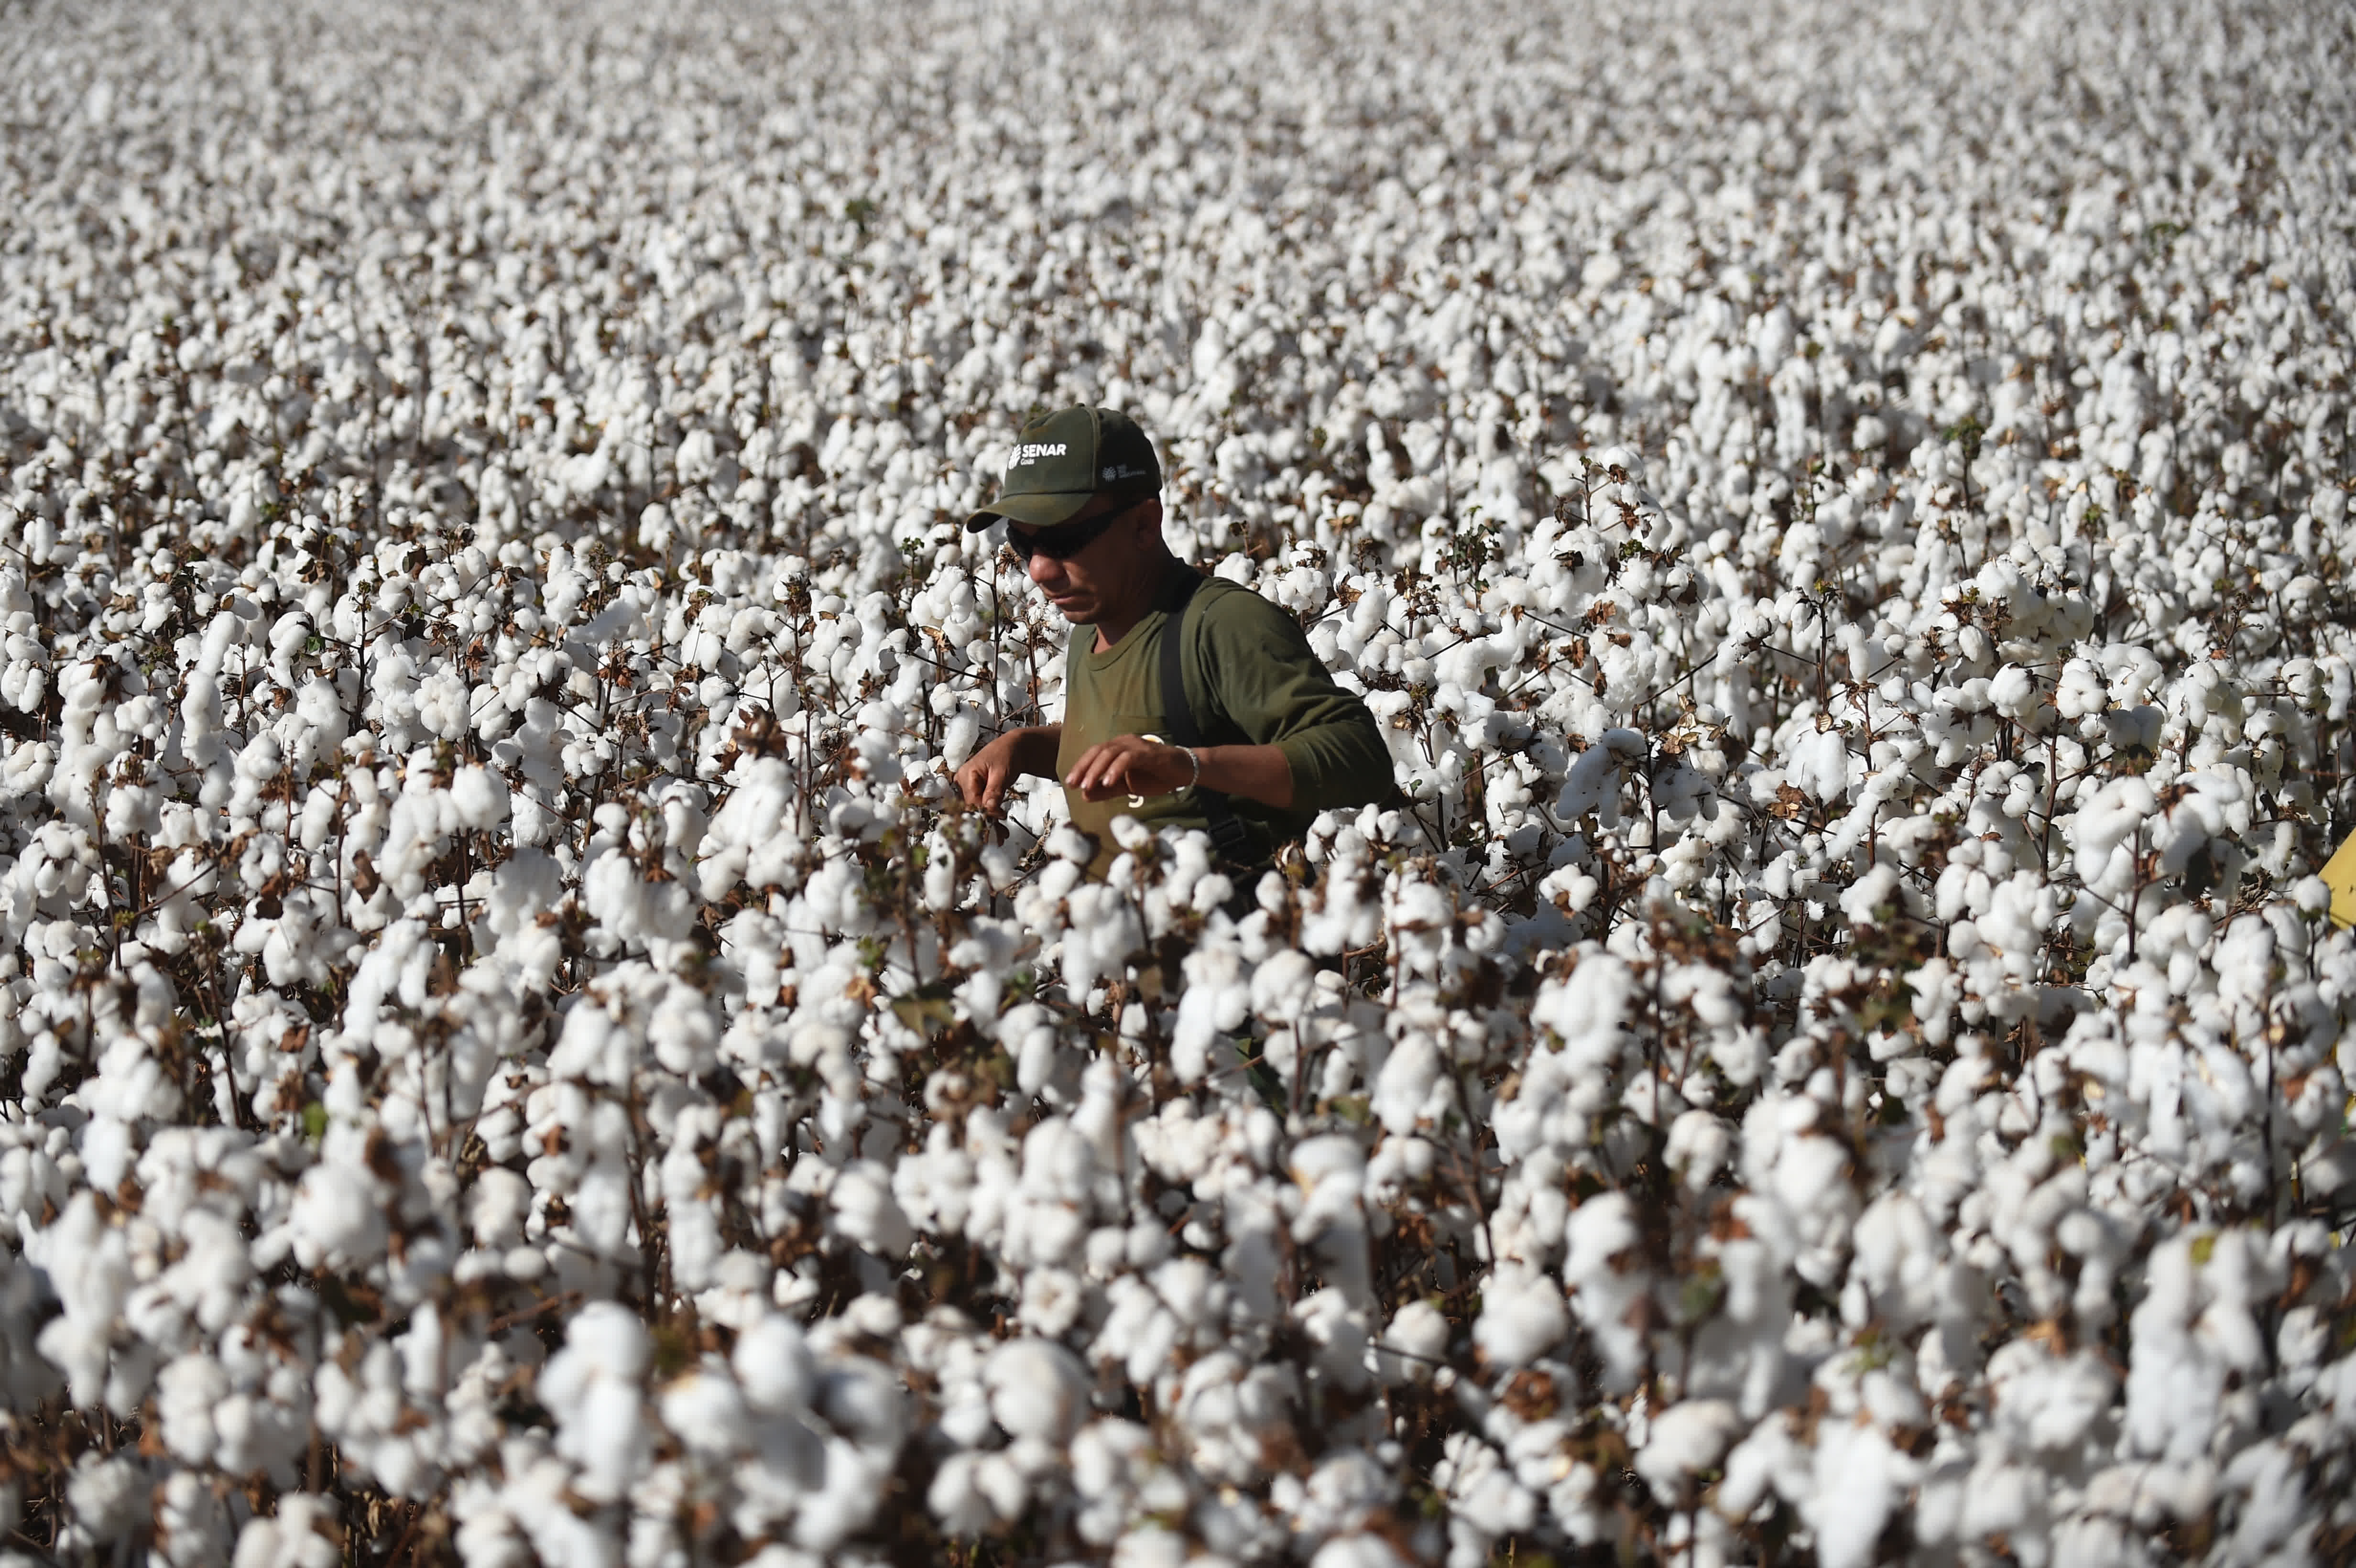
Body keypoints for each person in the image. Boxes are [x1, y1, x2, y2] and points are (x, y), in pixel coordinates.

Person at [953, 404, 1394, 878]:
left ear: (1143, 525)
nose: (1039, 568)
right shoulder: (1091, 630)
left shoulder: (1220, 624)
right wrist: (1022, 747)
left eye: (1064, 541)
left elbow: (1359, 757)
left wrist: (1189, 766)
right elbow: (1137, 739)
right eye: (1023, 544)